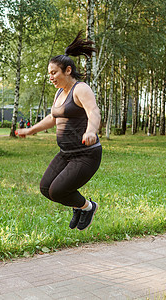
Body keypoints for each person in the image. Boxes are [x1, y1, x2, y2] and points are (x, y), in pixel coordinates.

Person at [17, 31, 102, 231]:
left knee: (58, 190)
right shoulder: (59, 93)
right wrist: (31, 131)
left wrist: (91, 130)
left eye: (54, 72)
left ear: (68, 70)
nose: (51, 77)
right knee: (46, 189)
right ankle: (78, 206)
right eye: (49, 73)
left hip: (86, 155)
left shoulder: (80, 89)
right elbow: (53, 118)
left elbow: (93, 111)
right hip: (66, 153)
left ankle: (88, 207)